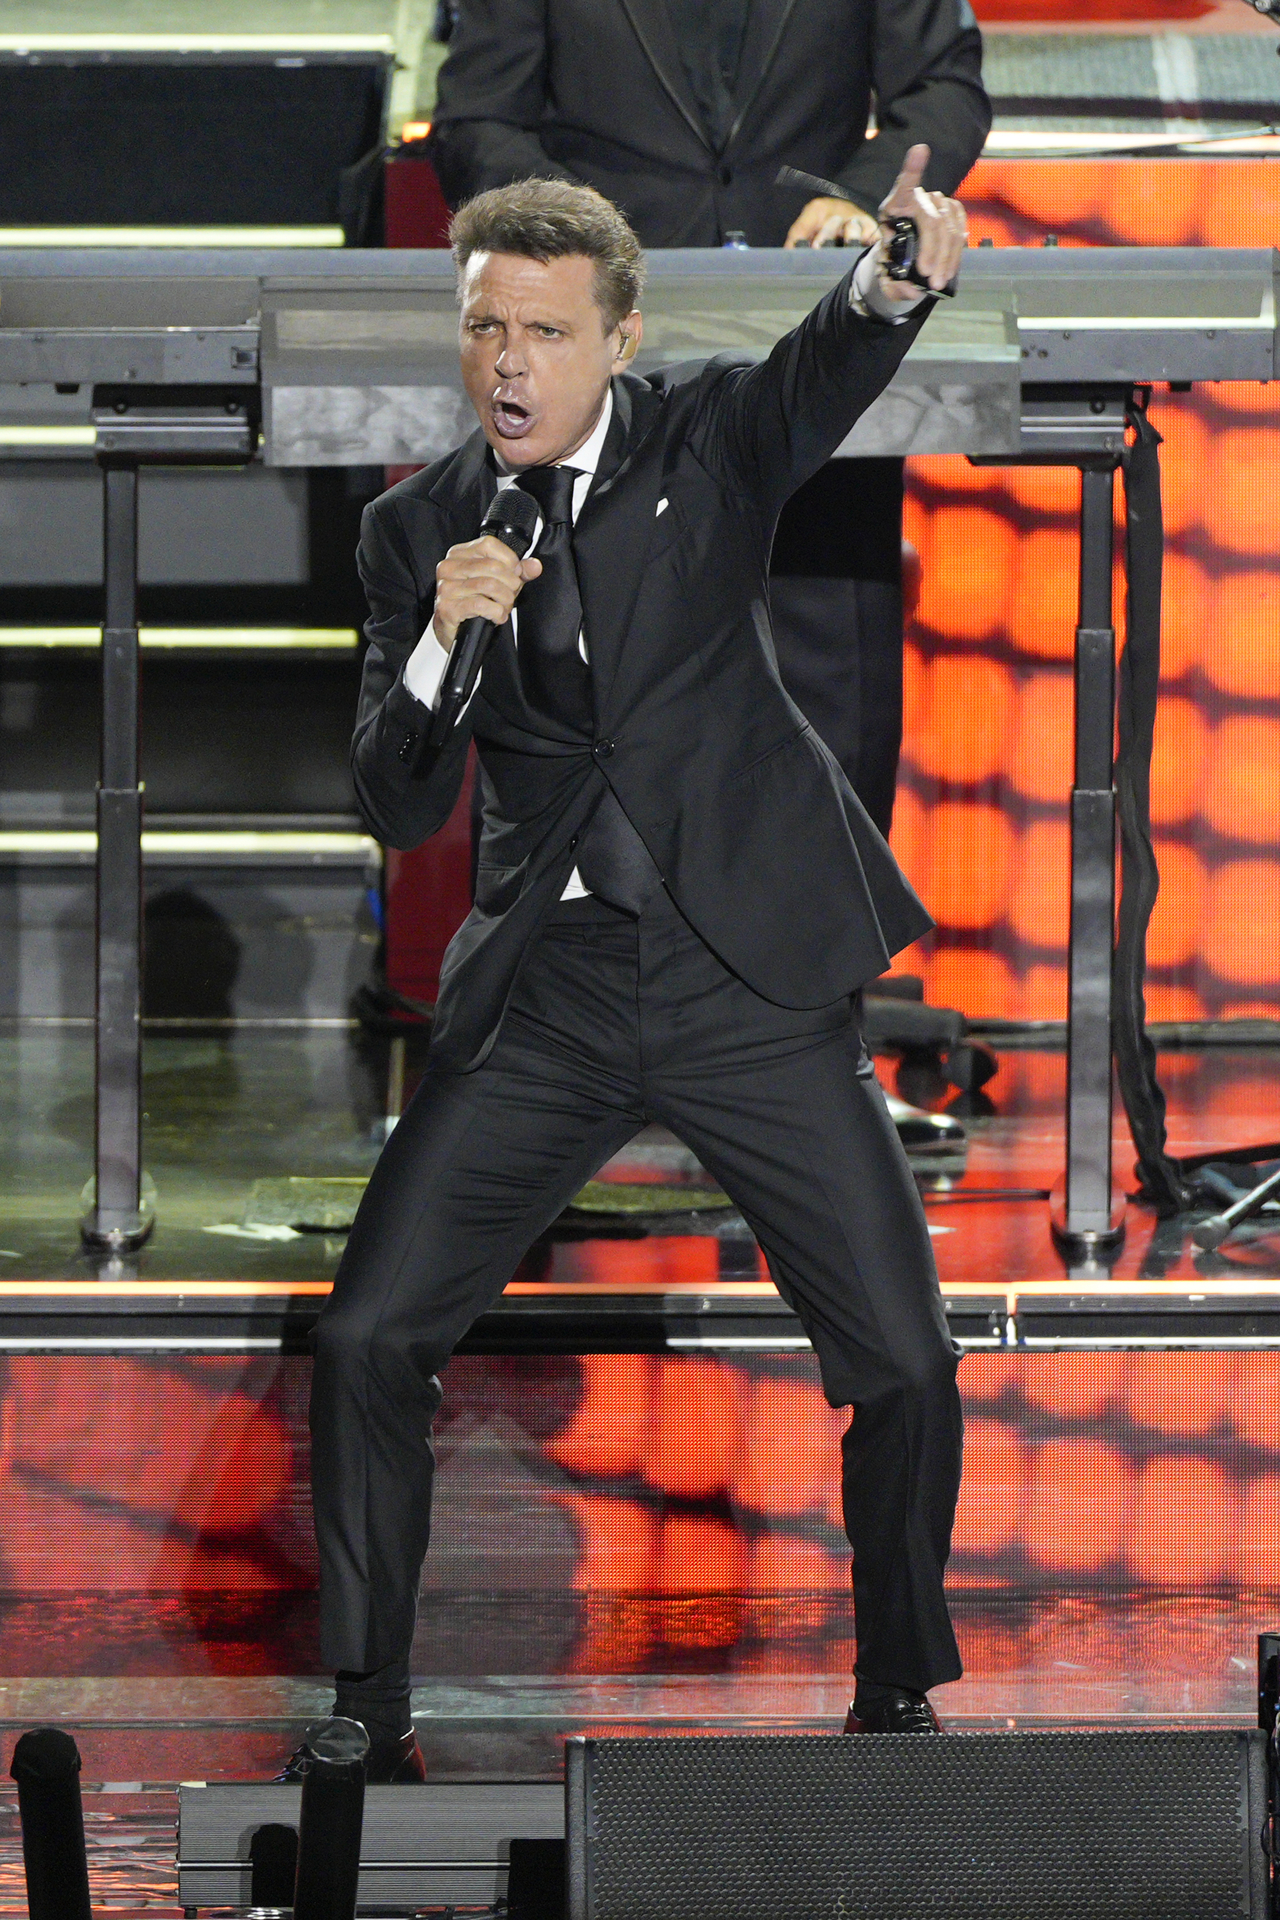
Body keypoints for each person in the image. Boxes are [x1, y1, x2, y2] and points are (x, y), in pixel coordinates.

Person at [282, 154, 968, 1785]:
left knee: (905, 1361)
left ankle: (895, 1692)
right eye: (485, 330)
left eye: (543, 332)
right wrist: (440, 640)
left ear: (617, 340)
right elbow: (397, 801)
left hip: (746, 979)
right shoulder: (415, 527)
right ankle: (367, 1704)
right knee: (369, 1338)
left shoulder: (707, 442)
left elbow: (823, 368)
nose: (508, 366)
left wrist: (892, 280)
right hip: (556, 993)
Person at [429, 0, 990, 840]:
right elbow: (476, 120)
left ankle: (817, 919)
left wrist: (863, 199)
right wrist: (575, 234)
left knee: (826, 732)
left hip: (816, 353)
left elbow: (944, 83)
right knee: (588, 730)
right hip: (608, 368)